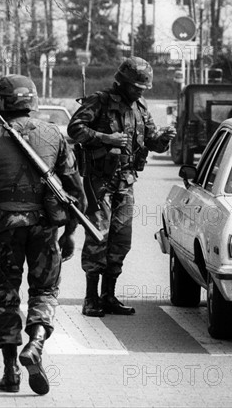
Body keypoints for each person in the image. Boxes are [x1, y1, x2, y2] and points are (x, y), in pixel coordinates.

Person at [0, 74, 86, 395]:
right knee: (44, 291)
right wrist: (69, 232)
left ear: (1, 102)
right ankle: (37, 343)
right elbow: (75, 192)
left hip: (5, 228)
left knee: (6, 297)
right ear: (33, 101)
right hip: (45, 229)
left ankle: (10, 372)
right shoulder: (54, 136)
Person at [68, 56, 176, 318]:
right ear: (123, 82)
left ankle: (109, 296)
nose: (140, 91)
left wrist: (164, 138)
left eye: (143, 88)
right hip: (100, 183)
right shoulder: (100, 101)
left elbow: (151, 141)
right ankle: (91, 298)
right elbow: (75, 129)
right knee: (98, 237)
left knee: (121, 240)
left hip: (126, 183)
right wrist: (105, 137)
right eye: (136, 86)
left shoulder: (140, 106)